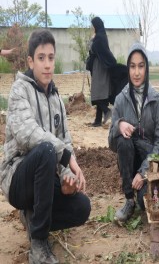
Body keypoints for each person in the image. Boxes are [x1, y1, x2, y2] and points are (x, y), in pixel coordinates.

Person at [0, 29, 91, 264]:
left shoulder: (57, 100)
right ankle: (39, 242)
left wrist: (68, 177)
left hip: (45, 180)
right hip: (17, 177)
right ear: (31, 61)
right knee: (47, 149)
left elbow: (66, 138)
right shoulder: (20, 91)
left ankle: (32, 218)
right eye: (41, 58)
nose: (47, 64)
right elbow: (29, 134)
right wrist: (67, 157)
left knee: (82, 207)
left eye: (51, 57)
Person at [108, 42, 159, 222]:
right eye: (132, 67)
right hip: (129, 159)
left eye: (141, 66)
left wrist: (143, 173)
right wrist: (119, 126)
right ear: (128, 68)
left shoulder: (156, 100)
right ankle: (128, 199)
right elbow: (111, 143)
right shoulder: (120, 100)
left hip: (150, 163)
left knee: (145, 202)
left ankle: (140, 196)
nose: (136, 72)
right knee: (124, 141)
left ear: (147, 68)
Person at [88, 16, 117, 127]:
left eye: (93, 26)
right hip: (100, 67)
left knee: (96, 93)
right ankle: (97, 120)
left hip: (100, 68)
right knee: (99, 94)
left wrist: (92, 39)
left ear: (96, 26)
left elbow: (92, 49)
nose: (92, 28)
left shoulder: (99, 37)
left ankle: (106, 111)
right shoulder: (102, 35)